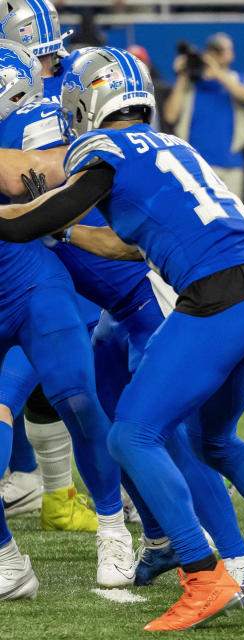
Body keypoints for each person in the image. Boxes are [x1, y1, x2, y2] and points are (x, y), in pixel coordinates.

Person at [0, 47, 244, 629]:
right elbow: (129, 245)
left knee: (132, 434)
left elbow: (30, 217)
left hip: (215, 302)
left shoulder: (102, 149)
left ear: (88, 100)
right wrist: (71, 233)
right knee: (216, 442)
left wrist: (45, 220)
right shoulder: (173, 146)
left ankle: (204, 572)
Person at [0, 0, 96, 531]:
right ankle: (52, 489)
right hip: (48, 251)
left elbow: (43, 178)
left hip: (55, 250)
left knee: (85, 382)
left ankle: (56, 489)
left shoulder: (33, 101)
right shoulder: (65, 91)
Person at [163, 32, 244, 197]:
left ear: (232, 54)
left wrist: (218, 73)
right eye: (214, 50)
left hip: (230, 164)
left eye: (223, 49)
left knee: (231, 220)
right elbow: (170, 116)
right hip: (195, 165)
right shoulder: (192, 85)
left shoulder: (237, 79)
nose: (218, 54)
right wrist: (182, 76)